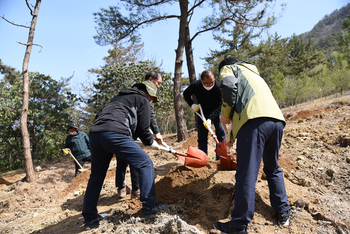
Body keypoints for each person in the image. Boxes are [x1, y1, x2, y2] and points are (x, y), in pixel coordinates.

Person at [213, 57, 291, 234]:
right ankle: (283, 212)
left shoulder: (230, 69)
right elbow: (247, 104)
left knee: (246, 173)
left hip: (254, 124)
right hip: (276, 121)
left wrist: (224, 113)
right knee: (272, 167)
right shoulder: (254, 75)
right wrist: (230, 137)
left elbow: (228, 85)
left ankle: (238, 225)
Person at [82, 80, 167, 230]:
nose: (152, 101)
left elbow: (102, 117)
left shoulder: (117, 99)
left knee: (96, 176)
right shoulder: (143, 100)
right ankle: (149, 208)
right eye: (152, 98)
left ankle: (90, 217)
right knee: (145, 164)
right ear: (148, 94)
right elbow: (143, 128)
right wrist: (150, 142)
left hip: (95, 134)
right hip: (115, 133)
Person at [115, 71, 164, 199]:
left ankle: (122, 188)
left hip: (120, 130)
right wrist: (150, 141)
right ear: (150, 80)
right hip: (129, 131)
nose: (158, 86)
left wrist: (156, 133)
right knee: (138, 161)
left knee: (122, 161)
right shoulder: (145, 95)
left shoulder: (129, 93)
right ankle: (136, 190)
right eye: (158, 83)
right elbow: (148, 118)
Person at [183, 69, 225, 160]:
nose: (210, 85)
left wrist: (210, 118)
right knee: (202, 136)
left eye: (212, 82)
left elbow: (219, 106)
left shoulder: (218, 87)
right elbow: (185, 94)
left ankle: (220, 158)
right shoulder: (196, 85)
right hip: (202, 111)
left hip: (216, 111)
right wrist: (192, 104)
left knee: (220, 133)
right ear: (201, 81)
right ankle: (203, 159)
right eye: (206, 83)